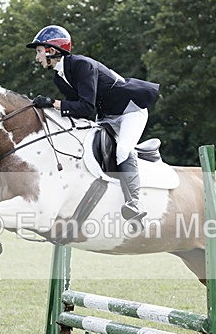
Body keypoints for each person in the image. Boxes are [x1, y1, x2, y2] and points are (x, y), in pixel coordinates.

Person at [26, 25, 160, 222]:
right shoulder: (59, 77)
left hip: (130, 110)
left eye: (39, 52)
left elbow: (85, 107)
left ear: (51, 50)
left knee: (122, 149)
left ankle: (135, 203)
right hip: (107, 115)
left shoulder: (82, 65)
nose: (37, 58)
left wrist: (52, 103)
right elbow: (75, 108)